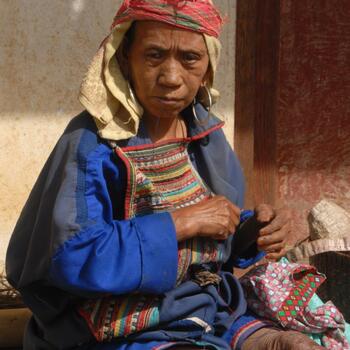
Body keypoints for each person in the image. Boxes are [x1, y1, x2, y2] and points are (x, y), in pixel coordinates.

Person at [6, 1, 323, 349]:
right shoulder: (92, 143)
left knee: (298, 343)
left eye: (190, 59)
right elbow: (72, 257)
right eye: (154, 56)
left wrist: (252, 232)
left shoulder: (206, 136)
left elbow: (216, 252)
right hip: (115, 327)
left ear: (207, 67)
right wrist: (182, 222)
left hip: (205, 311)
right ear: (126, 59)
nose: (172, 78)